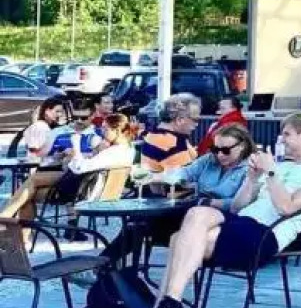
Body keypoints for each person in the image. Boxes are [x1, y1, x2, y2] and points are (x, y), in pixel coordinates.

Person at [138, 112, 301, 308]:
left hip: (264, 236)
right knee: (195, 214)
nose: (281, 139)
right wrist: (252, 179)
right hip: (241, 222)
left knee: (180, 239)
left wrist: (271, 173)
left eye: (287, 134)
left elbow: (287, 208)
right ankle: (168, 307)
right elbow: (238, 207)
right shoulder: (281, 166)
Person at [100, 124, 253, 265]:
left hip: (221, 221)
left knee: (144, 222)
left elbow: (244, 204)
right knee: (140, 220)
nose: (219, 154)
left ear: (242, 146)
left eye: (225, 150)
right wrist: (155, 177)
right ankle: (112, 265)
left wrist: (210, 202)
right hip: (193, 210)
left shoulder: (251, 169)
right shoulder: (209, 160)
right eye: (215, 149)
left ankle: (106, 263)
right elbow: (184, 173)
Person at [3, 113, 136, 223]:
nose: (102, 132)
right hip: (90, 185)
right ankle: (7, 222)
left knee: (28, 193)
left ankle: (6, 222)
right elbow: (91, 165)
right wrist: (92, 153)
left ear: (117, 131)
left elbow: (79, 168)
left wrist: (76, 147)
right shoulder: (127, 150)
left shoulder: (113, 152)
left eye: (105, 129)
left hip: (82, 190)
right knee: (32, 184)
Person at [136, 94, 201, 173]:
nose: (197, 124)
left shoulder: (153, 134)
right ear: (180, 120)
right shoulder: (174, 145)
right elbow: (187, 177)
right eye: (195, 119)